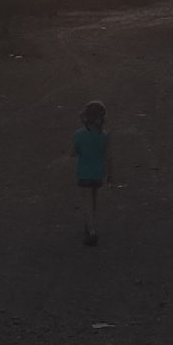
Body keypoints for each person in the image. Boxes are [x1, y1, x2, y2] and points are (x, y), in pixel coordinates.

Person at [71, 100, 113, 246]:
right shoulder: (105, 136)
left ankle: (92, 230)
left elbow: (73, 152)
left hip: (84, 173)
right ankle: (89, 224)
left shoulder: (79, 135)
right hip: (98, 173)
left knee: (87, 201)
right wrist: (110, 174)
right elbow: (107, 157)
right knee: (93, 200)